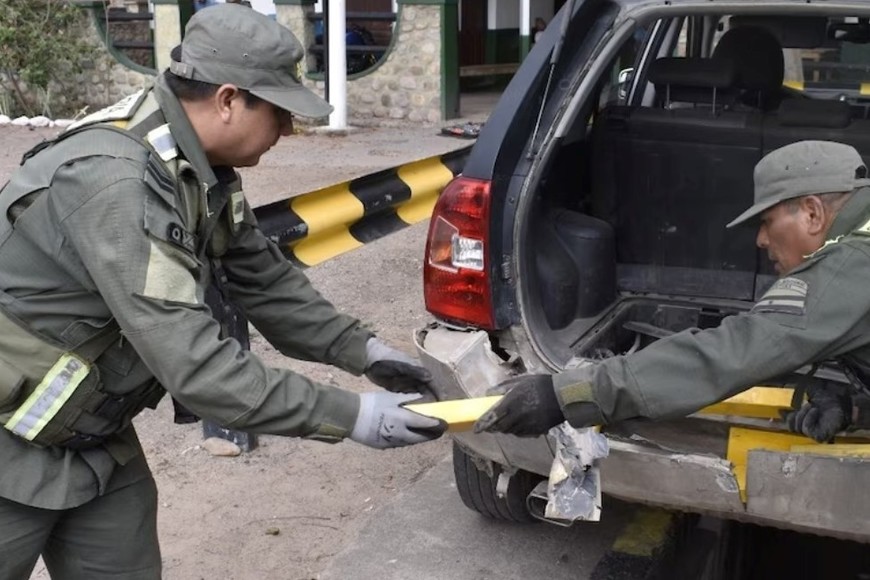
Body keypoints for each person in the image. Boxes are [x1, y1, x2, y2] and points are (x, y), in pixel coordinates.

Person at [0, 5, 444, 579]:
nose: (289, 130)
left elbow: (264, 278)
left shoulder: (195, 165)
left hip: (93, 434)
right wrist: (353, 416)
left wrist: (366, 354)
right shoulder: (118, 181)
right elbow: (201, 371)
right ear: (229, 99)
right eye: (280, 112)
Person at [475, 140, 870, 443]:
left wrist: (567, 395)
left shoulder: (852, 263)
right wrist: (856, 410)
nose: (762, 241)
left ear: (814, 212)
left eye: (767, 222)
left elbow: (733, 352)